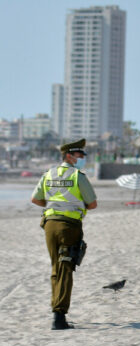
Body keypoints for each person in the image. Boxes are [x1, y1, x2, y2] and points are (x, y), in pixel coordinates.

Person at [30, 139, 98, 330]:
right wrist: (74, 206)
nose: (81, 159)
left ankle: (57, 310)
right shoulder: (78, 176)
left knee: (56, 267)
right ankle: (59, 317)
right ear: (69, 155)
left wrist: (54, 206)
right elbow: (92, 204)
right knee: (66, 268)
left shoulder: (48, 174)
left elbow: (35, 199)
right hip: (69, 226)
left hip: (50, 225)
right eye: (79, 155)